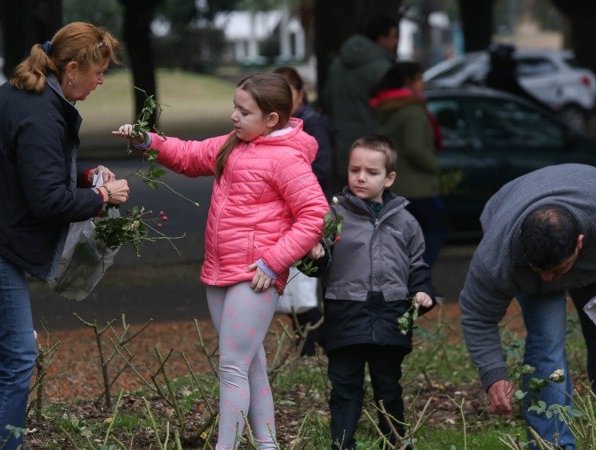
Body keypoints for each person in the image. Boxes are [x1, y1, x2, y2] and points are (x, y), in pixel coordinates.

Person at [0, 22, 130, 450]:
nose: (100, 81)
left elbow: (33, 173)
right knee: (17, 357)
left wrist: (85, 176)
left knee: (8, 358)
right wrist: (101, 196)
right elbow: (48, 201)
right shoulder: (41, 114)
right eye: (98, 72)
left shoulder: (28, 96)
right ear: (71, 69)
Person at [112, 73, 329, 449]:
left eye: (244, 111)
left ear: (271, 119)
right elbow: (189, 155)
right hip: (220, 270)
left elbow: (315, 215)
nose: (234, 116)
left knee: (232, 367)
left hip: (255, 276)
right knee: (250, 364)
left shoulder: (287, 158)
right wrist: (148, 141)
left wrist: (272, 262)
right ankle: (268, 445)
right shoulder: (234, 144)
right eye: (234, 107)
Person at [459, 163, 596, 450]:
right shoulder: (496, 258)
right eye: (540, 270)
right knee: (547, 345)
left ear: (579, 243)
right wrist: (493, 374)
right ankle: (552, 444)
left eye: (557, 271)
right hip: (510, 207)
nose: (549, 279)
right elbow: (477, 316)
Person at [321, 135, 436, 450]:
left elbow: (417, 265)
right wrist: (314, 254)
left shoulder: (405, 221)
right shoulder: (334, 216)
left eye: (371, 172)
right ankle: (342, 444)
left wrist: (422, 291)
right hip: (345, 312)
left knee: (388, 387)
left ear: (389, 178)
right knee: (344, 387)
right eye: (354, 170)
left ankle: (396, 442)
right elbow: (316, 265)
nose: (361, 177)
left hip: (391, 315)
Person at [273, 66, 338, 356]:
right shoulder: (275, 126)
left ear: (301, 94)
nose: (282, 100)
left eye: (287, 93)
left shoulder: (314, 126)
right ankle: (311, 343)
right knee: (292, 290)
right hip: (287, 216)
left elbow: (320, 173)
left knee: (303, 289)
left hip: (307, 216)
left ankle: (320, 343)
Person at [370, 61, 450, 267]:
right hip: (419, 186)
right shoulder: (413, 111)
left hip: (396, 184)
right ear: (408, 81)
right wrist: (435, 166)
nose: (423, 83)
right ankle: (417, 272)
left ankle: (406, 272)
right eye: (419, 78)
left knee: (405, 237)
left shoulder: (387, 109)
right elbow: (415, 149)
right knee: (437, 229)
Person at [324, 13, 399, 192]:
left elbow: (327, 98)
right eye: (394, 36)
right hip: (372, 142)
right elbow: (391, 106)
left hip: (340, 141)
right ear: (381, 38)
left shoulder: (337, 64)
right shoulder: (382, 69)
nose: (396, 41)